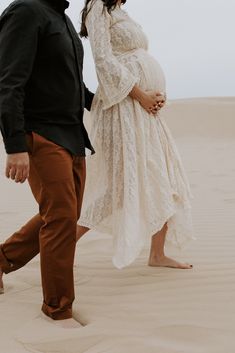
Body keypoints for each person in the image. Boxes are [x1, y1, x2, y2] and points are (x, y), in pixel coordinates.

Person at [76, 0, 194, 270]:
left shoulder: (121, 11)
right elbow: (103, 59)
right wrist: (141, 95)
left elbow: (138, 59)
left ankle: (157, 254)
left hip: (144, 111)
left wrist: (156, 96)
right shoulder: (98, 6)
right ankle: (62, 245)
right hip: (122, 109)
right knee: (121, 187)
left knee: (163, 174)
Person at [0, 0, 94, 327]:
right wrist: (14, 144)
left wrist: (112, 103)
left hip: (72, 135)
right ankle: (58, 309)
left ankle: (0, 259)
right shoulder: (26, 11)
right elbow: (8, 81)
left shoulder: (63, 20)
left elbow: (73, 85)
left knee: (63, 214)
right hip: (39, 132)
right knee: (62, 216)